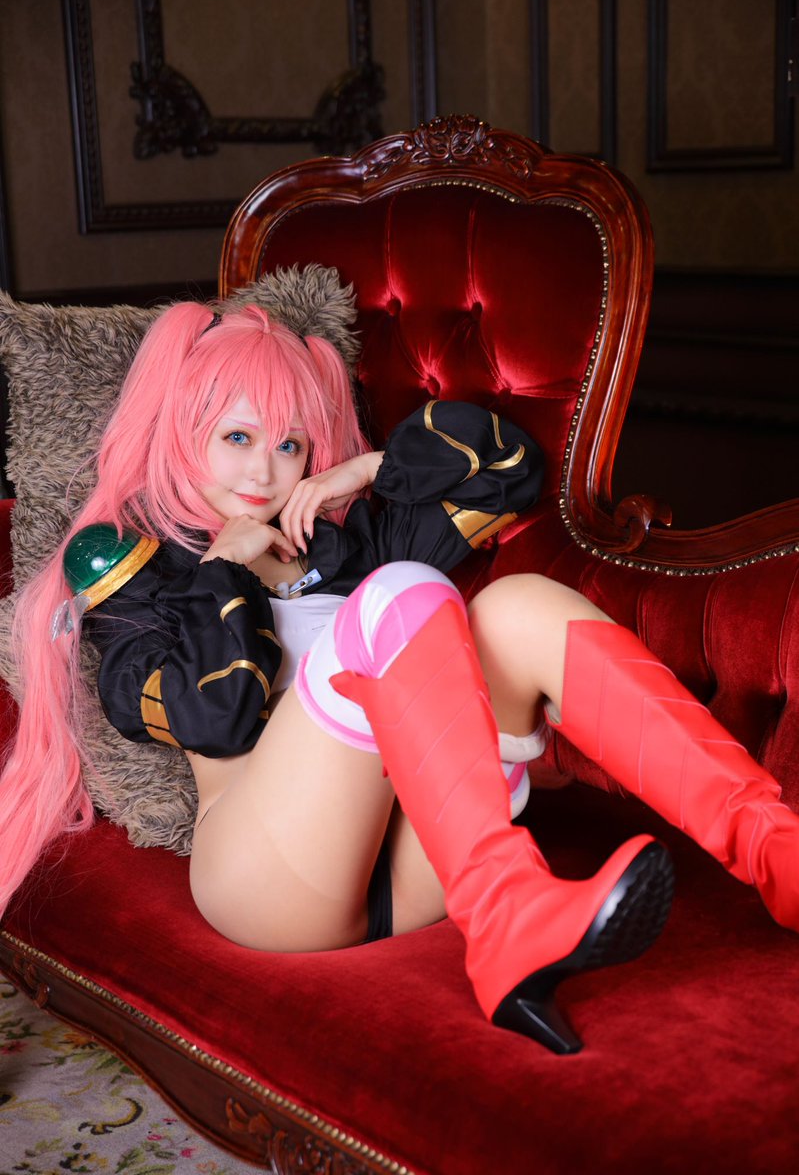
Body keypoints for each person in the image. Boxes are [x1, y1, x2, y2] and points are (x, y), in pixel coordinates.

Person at [1, 302, 797, 1057]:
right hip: (269, 879)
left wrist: (364, 471)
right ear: (180, 432)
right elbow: (217, 718)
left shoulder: (345, 545)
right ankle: (507, 910)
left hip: (421, 859)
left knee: (518, 603)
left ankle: (773, 850)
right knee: (403, 590)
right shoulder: (139, 569)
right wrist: (224, 571)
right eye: (236, 436)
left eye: (290, 445)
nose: (264, 469)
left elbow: (509, 469)